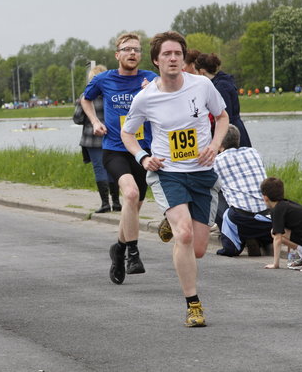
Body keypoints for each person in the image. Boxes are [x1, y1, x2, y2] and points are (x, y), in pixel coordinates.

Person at [122, 31, 229, 327]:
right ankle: (193, 304)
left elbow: (222, 117)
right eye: (167, 54)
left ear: (184, 59)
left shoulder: (202, 85)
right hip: (167, 173)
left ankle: (171, 217)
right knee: (183, 235)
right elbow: (127, 133)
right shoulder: (146, 98)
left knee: (197, 249)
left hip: (202, 173)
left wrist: (214, 146)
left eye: (178, 54)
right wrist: (143, 157)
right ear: (156, 60)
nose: (173, 58)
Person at [80, 32, 157, 284]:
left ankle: (119, 248)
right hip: (114, 149)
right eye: (127, 49)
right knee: (131, 195)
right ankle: (133, 254)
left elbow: (170, 99)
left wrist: (153, 92)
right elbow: (85, 99)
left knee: (133, 208)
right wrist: (95, 122)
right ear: (118, 55)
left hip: (143, 152)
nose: (132, 53)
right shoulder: (104, 79)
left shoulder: (151, 78)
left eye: (136, 49)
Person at [214, 125, 273, 257]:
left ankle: (238, 239)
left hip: (241, 219)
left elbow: (205, 184)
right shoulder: (254, 153)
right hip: (268, 218)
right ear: (238, 140)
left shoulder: (216, 161)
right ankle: (261, 239)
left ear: (219, 143)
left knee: (213, 192)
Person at [73, 64, 121, 213]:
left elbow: (77, 118)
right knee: (113, 169)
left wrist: (91, 120)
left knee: (99, 169)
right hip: (111, 136)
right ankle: (117, 202)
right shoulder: (112, 95)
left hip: (92, 139)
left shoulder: (85, 96)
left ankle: (105, 203)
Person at [195, 53, 252, 147]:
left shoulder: (220, 87)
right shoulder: (221, 82)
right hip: (232, 129)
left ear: (201, 72)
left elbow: (226, 115)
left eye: (196, 73)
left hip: (231, 134)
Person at [261, 177, 302, 270]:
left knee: (275, 232)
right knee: (280, 231)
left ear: (265, 198)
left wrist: (275, 264)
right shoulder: (286, 204)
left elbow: (278, 238)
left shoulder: (277, 210)